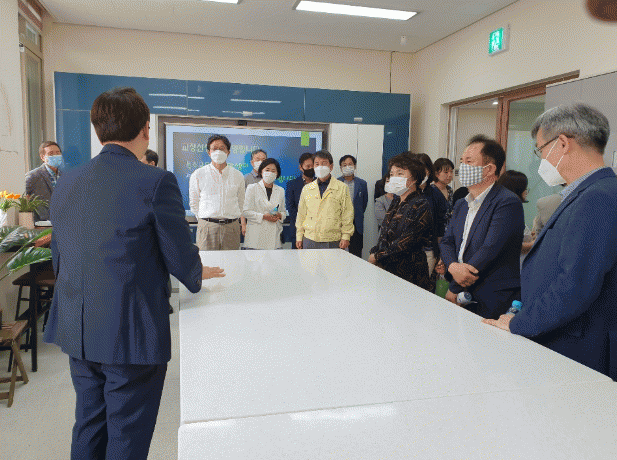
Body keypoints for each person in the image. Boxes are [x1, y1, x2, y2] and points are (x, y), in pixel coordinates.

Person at [43, 87, 225, 460]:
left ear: (98, 130)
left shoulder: (68, 182)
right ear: (145, 129)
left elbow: (59, 253)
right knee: (127, 432)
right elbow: (178, 253)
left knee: (89, 423)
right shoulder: (155, 181)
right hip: (129, 332)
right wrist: (196, 273)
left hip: (78, 325)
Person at [484, 104, 617, 380]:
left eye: (540, 150)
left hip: (578, 344)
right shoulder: (585, 192)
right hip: (565, 334)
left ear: (563, 143)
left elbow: (577, 282)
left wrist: (521, 323)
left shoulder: (597, 197)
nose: (541, 159)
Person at [439, 134, 524, 320]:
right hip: (462, 291)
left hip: (491, 294)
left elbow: (489, 249)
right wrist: (452, 266)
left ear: (489, 169)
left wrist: (455, 286)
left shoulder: (507, 202)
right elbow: (447, 241)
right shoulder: (461, 203)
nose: (462, 167)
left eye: (469, 161)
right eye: (462, 161)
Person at [369, 155, 433, 291]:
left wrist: (378, 256)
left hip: (409, 272)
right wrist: (375, 252)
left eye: (400, 173)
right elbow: (385, 232)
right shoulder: (396, 201)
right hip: (387, 268)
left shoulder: (421, 204)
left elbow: (406, 242)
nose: (394, 178)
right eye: (392, 174)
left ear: (414, 178)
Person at [189, 134, 245, 250]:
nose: (218, 152)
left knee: (231, 261)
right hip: (207, 227)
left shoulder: (237, 175)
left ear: (228, 152)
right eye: (214, 149)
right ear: (209, 152)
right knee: (207, 260)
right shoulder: (198, 174)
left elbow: (241, 202)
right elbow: (194, 203)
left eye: (222, 148)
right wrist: (205, 220)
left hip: (231, 227)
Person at [295, 150, 354, 250]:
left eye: (324, 163)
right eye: (317, 164)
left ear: (331, 166)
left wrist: (346, 236)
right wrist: (299, 236)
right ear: (314, 167)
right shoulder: (307, 189)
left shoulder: (342, 187)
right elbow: (301, 214)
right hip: (310, 238)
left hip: (333, 239)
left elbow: (347, 214)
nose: (320, 167)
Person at [139, 148, 174, 314]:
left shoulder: (164, 181)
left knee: (161, 268)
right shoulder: (134, 180)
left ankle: (165, 301)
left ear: (151, 163)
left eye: (140, 161)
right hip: (141, 235)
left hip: (159, 234)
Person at [408, 152, 448, 277]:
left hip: (428, 249)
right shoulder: (406, 193)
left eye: (423, 168)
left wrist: (440, 253)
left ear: (429, 171)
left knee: (421, 284)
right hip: (406, 248)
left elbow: (441, 226)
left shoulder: (436, 195)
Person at [243, 158, 287, 250]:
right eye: (267, 170)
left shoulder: (280, 190)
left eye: (273, 171)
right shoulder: (252, 188)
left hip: (274, 238)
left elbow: (283, 212)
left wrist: (279, 215)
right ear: (261, 171)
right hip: (255, 238)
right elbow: (245, 212)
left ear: (277, 174)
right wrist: (263, 216)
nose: (270, 173)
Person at [496, 170, 534, 258]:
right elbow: (510, 246)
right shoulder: (506, 212)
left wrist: (529, 235)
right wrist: (533, 243)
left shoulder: (507, 209)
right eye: (525, 188)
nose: (526, 192)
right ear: (517, 190)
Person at [25, 141, 64, 222]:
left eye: (58, 153)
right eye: (51, 154)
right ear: (42, 157)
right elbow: (23, 198)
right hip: (42, 224)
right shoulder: (33, 176)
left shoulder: (64, 176)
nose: (55, 156)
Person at [338, 155, 368, 258]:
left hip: (356, 225)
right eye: (344, 165)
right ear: (341, 168)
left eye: (350, 164)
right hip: (339, 224)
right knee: (339, 256)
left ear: (354, 166)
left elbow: (364, 204)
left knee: (356, 255)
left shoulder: (362, 184)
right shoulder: (336, 183)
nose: (347, 167)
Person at [285, 152, 315, 248]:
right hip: (297, 229)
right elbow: (290, 207)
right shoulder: (292, 184)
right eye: (308, 166)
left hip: (316, 230)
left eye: (313, 166)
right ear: (301, 167)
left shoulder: (320, 184)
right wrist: (304, 221)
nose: (311, 168)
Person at [432, 157, 455, 226]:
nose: (450, 175)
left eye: (451, 172)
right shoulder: (431, 191)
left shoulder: (450, 190)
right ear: (436, 173)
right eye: (446, 172)